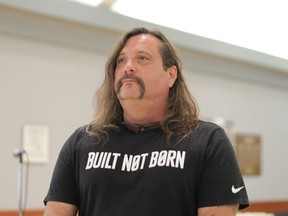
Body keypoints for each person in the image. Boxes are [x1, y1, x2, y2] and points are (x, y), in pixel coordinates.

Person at [44, 27, 249, 216]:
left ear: (171, 75)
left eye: (142, 58)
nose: (128, 67)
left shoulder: (207, 141)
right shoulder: (83, 142)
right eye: (121, 61)